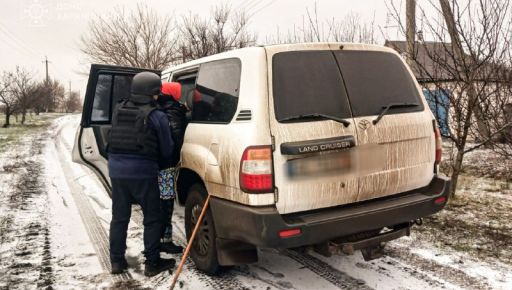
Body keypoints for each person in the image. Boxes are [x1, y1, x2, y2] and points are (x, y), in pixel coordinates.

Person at [107, 71, 176, 277]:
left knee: (119, 218)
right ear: (154, 93)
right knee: (153, 218)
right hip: (144, 174)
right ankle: (152, 263)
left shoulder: (118, 109)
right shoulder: (157, 116)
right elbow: (167, 149)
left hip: (117, 173)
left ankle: (117, 262)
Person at [157, 82, 188, 254]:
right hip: (167, 166)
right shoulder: (173, 111)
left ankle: (155, 239)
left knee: (156, 203)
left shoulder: (156, 107)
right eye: (179, 92)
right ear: (173, 94)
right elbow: (177, 140)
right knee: (166, 202)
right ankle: (165, 241)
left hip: (154, 164)